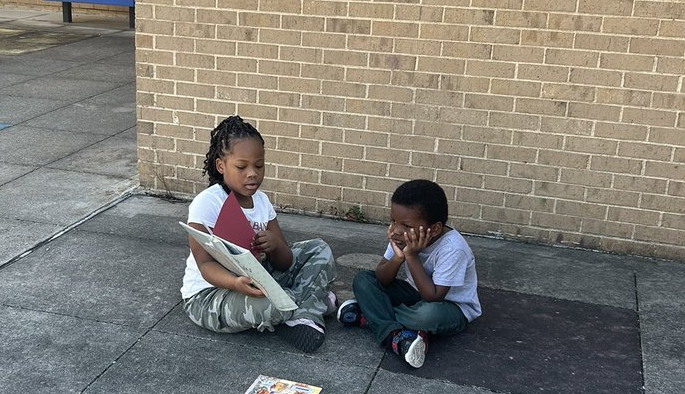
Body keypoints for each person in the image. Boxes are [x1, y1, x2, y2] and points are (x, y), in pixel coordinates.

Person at [181, 115, 336, 353]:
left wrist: (275, 245)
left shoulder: (262, 202)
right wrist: (235, 283)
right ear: (221, 166)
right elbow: (205, 265)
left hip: (258, 279)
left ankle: (303, 308)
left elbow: (285, 262)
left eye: (259, 165)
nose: (252, 173)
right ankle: (311, 302)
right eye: (241, 167)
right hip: (211, 295)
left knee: (319, 249)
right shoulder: (208, 202)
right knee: (275, 303)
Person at [337, 179, 481, 369]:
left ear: (435, 228)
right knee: (363, 280)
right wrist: (398, 258)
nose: (397, 230)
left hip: (451, 308)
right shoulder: (402, 236)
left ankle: (371, 316)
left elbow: (434, 296)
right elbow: (381, 278)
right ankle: (395, 334)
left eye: (406, 225)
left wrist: (411, 255)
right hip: (414, 293)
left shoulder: (453, 248)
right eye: (393, 221)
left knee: (426, 315)